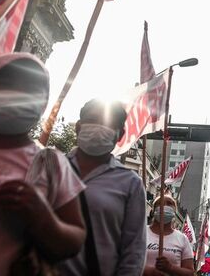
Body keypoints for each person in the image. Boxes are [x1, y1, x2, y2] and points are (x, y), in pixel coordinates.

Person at [0, 53, 86, 275]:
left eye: (31, 93)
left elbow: (75, 240)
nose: (17, 96)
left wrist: (44, 218)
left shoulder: (51, 162)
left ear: (43, 106)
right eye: (6, 85)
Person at [59, 99, 147, 276]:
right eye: (92, 119)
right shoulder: (51, 168)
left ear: (120, 134)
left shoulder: (131, 183)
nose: (99, 128)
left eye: (108, 124)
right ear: (78, 126)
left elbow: (133, 252)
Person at [143, 195, 194, 276]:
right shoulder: (140, 233)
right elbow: (126, 261)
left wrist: (170, 268)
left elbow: (190, 273)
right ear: (153, 210)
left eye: (169, 203)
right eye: (160, 203)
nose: (165, 206)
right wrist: (149, 271)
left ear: (174, 211)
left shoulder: (182, 239)